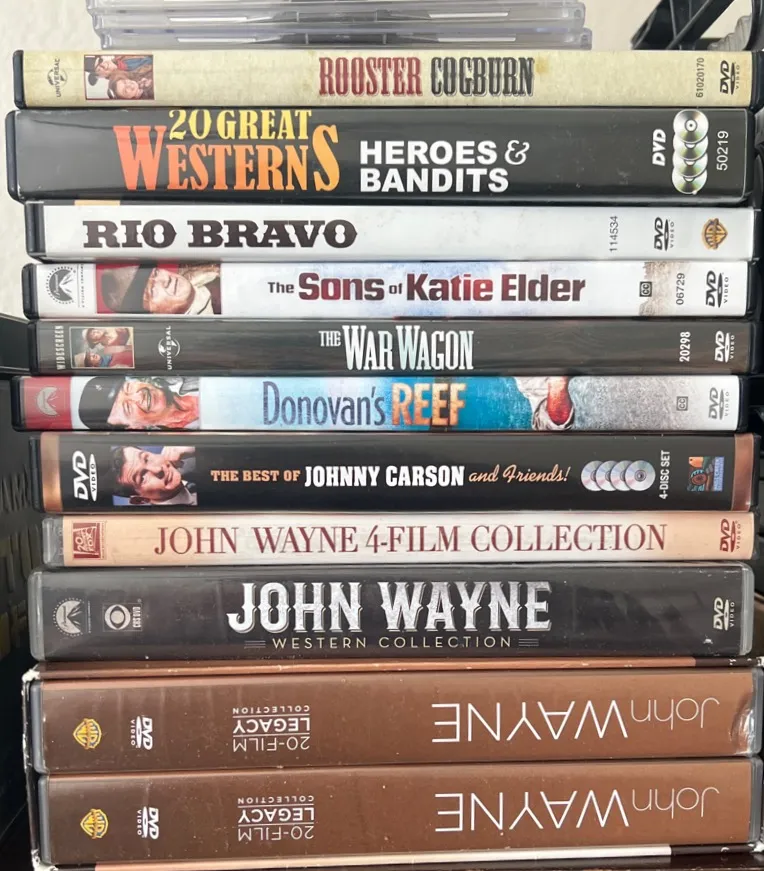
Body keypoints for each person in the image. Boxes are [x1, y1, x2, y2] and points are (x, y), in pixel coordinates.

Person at [78, 376, 200, 430]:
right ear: (133, 427)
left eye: (128, 388)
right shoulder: (179, 444)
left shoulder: (183, 373)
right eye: (128, 407)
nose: (138, 395)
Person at [99, 264, 220, 316]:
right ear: (155, 314)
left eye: (156, 273)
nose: (165, 280)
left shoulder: (203, 262)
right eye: (152, 290)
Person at [110, 445, 198, 506]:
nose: (158, 469)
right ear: (139, 500)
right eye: (142, 478)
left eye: (147, 459)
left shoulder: (190, 458)